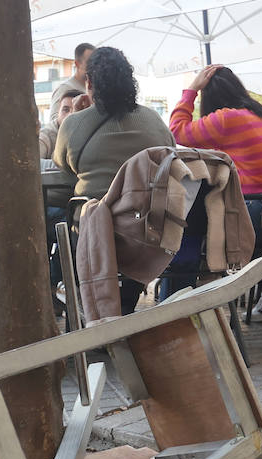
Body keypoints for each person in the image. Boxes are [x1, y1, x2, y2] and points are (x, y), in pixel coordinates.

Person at [52, 45, 174, 313]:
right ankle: (126, 306)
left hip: (93, 226)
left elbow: (63, 166)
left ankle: (74, 296)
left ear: (90, 83)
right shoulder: (154, 120)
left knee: (56, 217)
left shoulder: (75, 123)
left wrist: (77, 114)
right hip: (147, 227)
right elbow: (170, 158)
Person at [168, 63, 262, 310]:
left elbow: (176, 132)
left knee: (194, 216)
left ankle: (185, 295)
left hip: (259, 215)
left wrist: (192, 89)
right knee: (214, 211)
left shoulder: (228, 118)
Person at [45, 42, 95, 126]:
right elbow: (54, 122)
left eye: (96, 63)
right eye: (90, 63)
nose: (94, 67)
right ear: (77, 64)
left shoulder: (93, 88)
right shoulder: (64, 88)